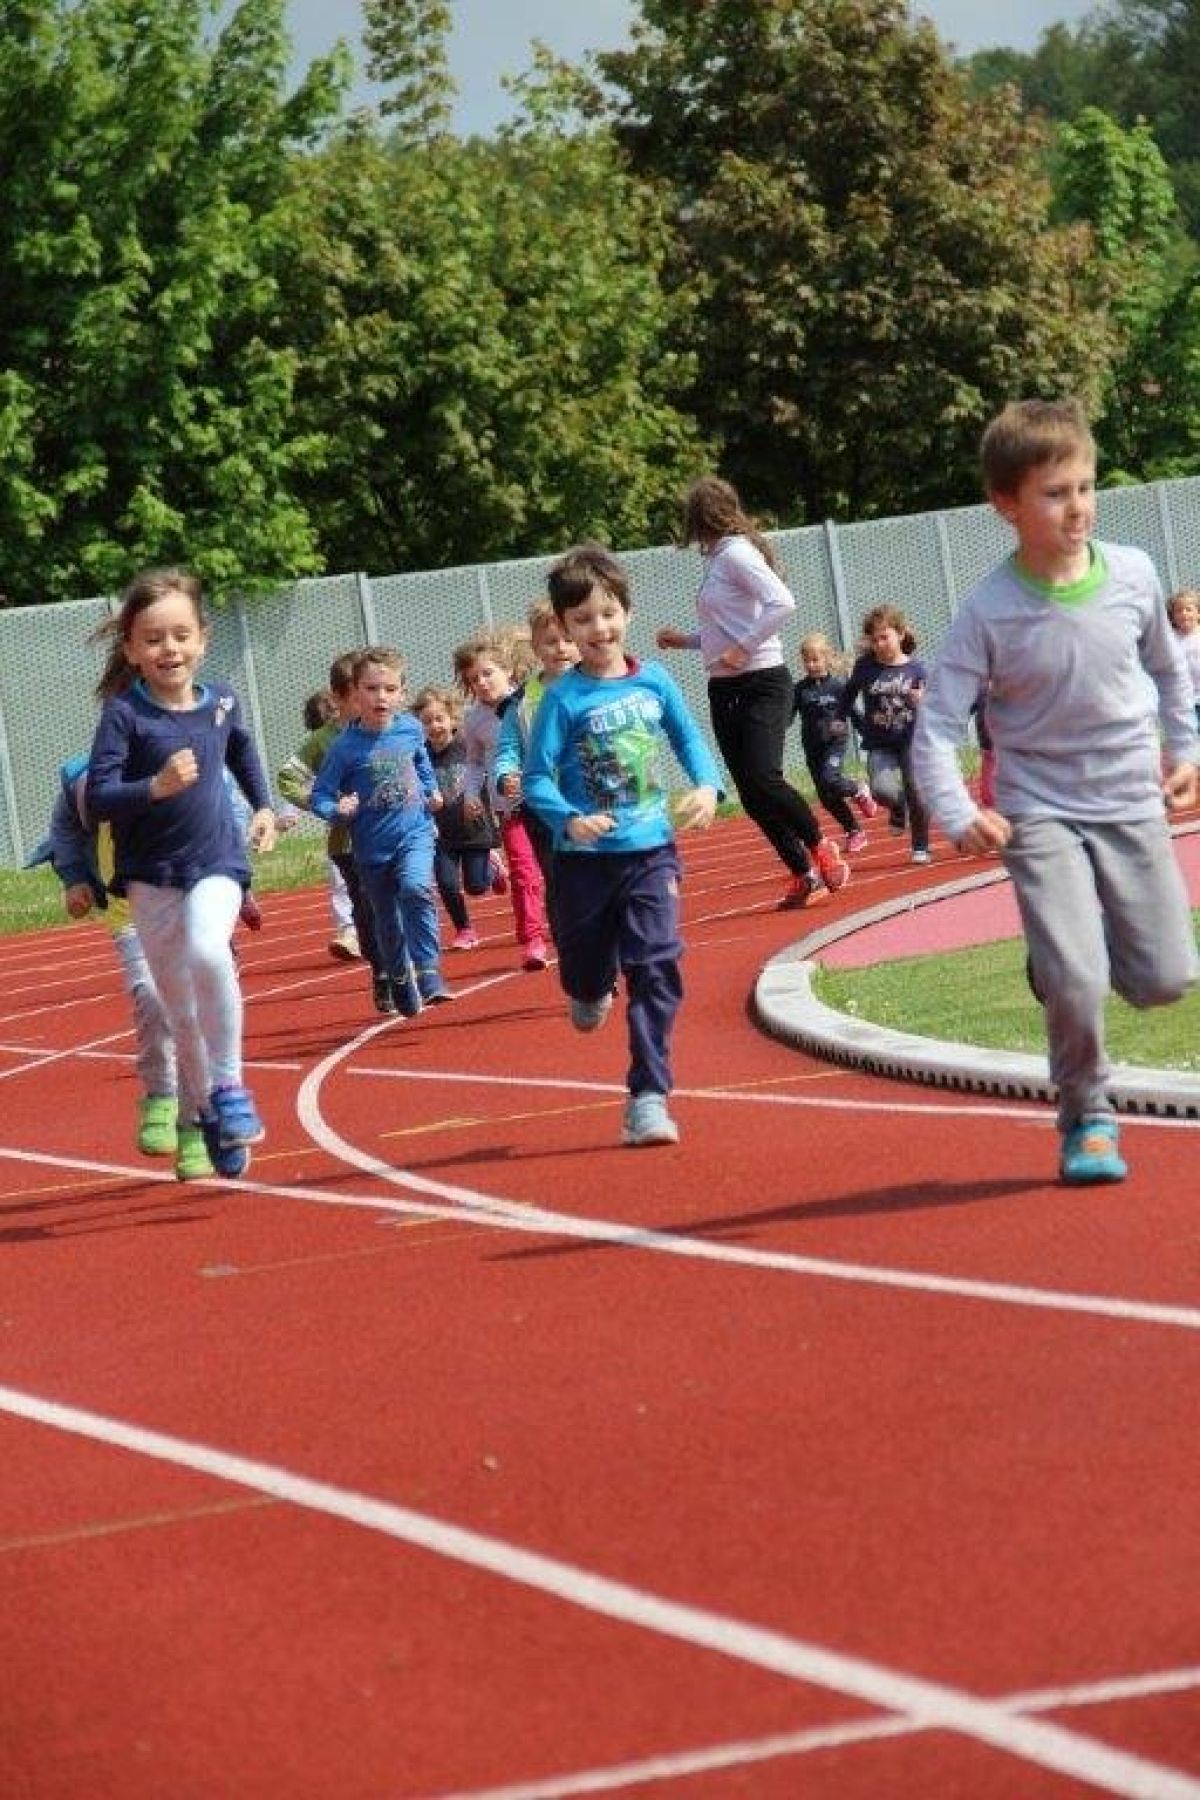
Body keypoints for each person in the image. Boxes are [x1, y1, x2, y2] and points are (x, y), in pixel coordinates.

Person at [912, 396, 1199, 1185]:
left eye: (1084, 488)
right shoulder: (989, 611)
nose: (1077, 508)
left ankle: (1060, 953)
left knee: (1165, 980)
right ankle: (1089, 1113)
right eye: (1054, 494)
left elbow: (1170, 672)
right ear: (1006, 504)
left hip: (1130, 797)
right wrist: (958, 810)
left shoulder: (1133, 574)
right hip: (1038, 809)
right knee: (1078, 978)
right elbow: (937, 724)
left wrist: (1185, 749)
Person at [523, 541, 721, 1148]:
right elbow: (536, 779)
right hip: (584, 864)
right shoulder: (562, 698)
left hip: (650, 850)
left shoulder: (655, 681)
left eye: (608, 614)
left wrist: (707, 786)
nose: (599, 628)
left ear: (627, 613)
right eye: (583, 619)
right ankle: (588, 986)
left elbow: (689, 741)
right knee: (587, 974)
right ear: (565, 629)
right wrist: (569, 820)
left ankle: (647, 1096)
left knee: (656, 967)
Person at [85, 568, 276, 1182]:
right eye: (153, 639)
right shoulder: (124, 716)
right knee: (178, 1011)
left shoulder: (221, 702)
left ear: (202, 639)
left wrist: (264, 805)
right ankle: (206, 1111)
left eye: (180, 635)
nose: (169, 648)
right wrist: (155, 787)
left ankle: (231, 1088)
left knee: (208, 948)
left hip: (217, 860)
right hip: (150, 876)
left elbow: (241, 746)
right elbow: (100, 797)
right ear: (132, 650)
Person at [656, 474, 848, 909]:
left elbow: (783, 602)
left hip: (762, 681)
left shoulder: (737, 554)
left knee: (765, 777)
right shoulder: (717, 560)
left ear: (702, 518)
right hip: (724, 688)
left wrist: (743, 649)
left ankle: (819, 844)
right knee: (749, 792)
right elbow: (724, 630)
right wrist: (684, 641)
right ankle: (802, 874)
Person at [28, 753, 179, 1159]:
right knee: (150, 995)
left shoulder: (188, 760)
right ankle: (162, 1097)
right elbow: (65, 826)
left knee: (204, 1003)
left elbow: (223, 819)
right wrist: (74, 877)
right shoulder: (82, 779)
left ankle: (216, 1099)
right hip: (127, 908)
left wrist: (239, 887)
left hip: (189, 901)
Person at [309, 647, 451, 1015]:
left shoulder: (411, 729)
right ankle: (399, 978)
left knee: (417, 888)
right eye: (371, 689)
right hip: (371, 848)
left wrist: (431, 789)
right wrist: (336, 809)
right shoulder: (344, 748)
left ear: (402, 693)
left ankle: (429, 973)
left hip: (415, 833)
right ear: (355, 694)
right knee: (386, 920)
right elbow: (320, 794)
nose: (381, 697)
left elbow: (421, 763)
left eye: (389, 689)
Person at [277, 656, 383, 979]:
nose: (372, 699)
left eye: (376, 689)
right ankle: (381, 972)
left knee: (398, 897)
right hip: (348, 841)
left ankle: (406, 964)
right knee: (365, 906)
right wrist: (322, 805)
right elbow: (287, 778)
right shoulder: (323, 740)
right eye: (361, 693)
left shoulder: (390, 727)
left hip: (390, 833)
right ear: (339, 698)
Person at [453, 630, 549, 970]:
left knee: (559, 870)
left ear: (507, 671)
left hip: (550, 801)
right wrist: (470, 793)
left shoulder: (531, 701)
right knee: (523, 871)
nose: (481, 683)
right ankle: (532, 939)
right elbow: (475, 762)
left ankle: (568, 922)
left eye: (487, 673)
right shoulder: (473, 719)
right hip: (511, 808)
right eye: (473, 679)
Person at [493, 597, 582, 945]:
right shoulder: (521, 702)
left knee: (598, 874)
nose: (561, 648)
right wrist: (505, 774)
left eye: (568, 639)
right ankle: (570, 946)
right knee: (558, 878)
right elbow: (508, 748)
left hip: (591, 798)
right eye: (551, 641)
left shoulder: (599, 686)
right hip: (542, 805)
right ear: (535, 647)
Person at [840, 604, 932, 864]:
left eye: (885, 637)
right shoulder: (865, 667)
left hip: (912, 740)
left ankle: (920, 846)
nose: (879, 644)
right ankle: (898, 808)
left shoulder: (917, 669)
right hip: (879, 743)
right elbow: (849, 694)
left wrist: (923, 700)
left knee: (916, 790)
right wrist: (838, 717)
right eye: (874, 639)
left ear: (900, 634)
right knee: (881, 791)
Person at [413, 682, 501, 951]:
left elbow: (489, 767)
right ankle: (464, 928)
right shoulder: (420, 755)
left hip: (475, 829)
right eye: (426, 721)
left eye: (439, 719)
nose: (434, 726)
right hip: (441, 834)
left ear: (452, 719)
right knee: (447, 883)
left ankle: (493, 868)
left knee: (476, 887)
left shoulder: (466, 745)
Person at [791, 630, 878, 855]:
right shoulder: (800, 690)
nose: (811, 665)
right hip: (813, 747)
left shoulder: (838, 687)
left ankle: (858, 789)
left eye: (815, 659)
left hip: (835, 743)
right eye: (807, 660)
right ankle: (854, 832)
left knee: (831, 778)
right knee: (826, 796)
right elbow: (787, 717)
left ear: (826, 659)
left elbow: (855, 715)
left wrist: (870, 736)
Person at [1167, 587, 1200, 727]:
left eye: (1188, 609)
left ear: (1198, 613)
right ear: (1173, 617)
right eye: (1179, 611)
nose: (1184, 613)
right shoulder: (1170, 638)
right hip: (1184, 700)